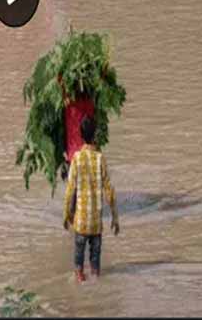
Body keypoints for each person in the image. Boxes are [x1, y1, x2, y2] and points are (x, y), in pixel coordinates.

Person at [62, 116, 119, 283]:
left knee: (78, 268)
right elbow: (109, 191)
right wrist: (115, 218)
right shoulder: (100, 158)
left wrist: (66, 215)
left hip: (80, 223)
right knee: (95, 270)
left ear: (80, 135)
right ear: (94, 135)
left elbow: (70, 190)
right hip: (96, 225)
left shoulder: (77, 159)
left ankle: (80, 282)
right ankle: (95, 285)